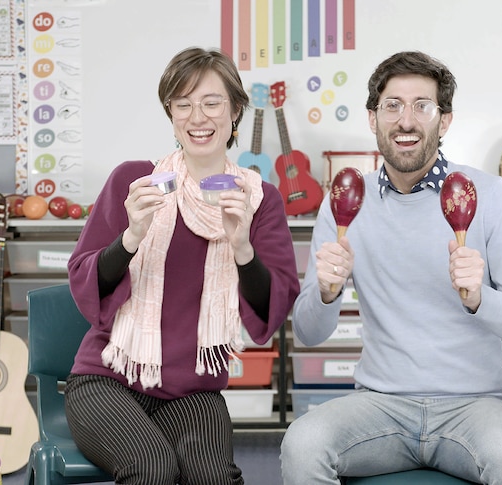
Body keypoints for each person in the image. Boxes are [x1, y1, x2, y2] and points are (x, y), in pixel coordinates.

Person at [280, 51, 502, 484]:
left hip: (475, 407)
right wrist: (326, 292)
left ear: (443, 121)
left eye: (422, 106)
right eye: (393, 106)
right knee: (302, 443)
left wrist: (480, 299)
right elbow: (310, 334)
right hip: (380, 406)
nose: (406, 121)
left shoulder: (490, 196)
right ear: (373, 118)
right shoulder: (347, 203)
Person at [65, 46, 300, 484]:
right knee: (154, 467)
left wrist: (242, 248)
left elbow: (275, 302)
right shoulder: (135, 180)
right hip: (107, 379)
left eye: (211, 102)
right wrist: (131, 237)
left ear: (235, 112)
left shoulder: (259, 199)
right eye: (183, 104)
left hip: (191, 387)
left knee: (214, 477)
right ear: (170, 114)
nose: (198, 117)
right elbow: (84, 280)